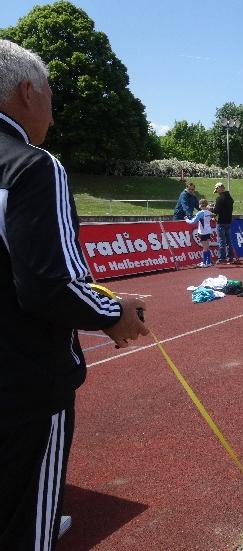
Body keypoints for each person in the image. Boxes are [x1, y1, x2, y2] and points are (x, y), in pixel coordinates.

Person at [0, 39, 149, 550]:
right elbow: (50, 286)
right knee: (26, 528)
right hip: (23, 386)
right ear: (27, 92)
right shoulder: (32, 165)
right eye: (49, 97)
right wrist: (114, 312)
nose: (53, 114)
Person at [211, 182, 235, 264]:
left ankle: (221, 258)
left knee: (221, 240)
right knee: (228, 241)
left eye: (217, 190)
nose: (217, 192)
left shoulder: (220, 198)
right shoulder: (230, 198)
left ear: (220, 188)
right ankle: (230, 257)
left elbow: (216, 211)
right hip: (228, 221)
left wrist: (211, 208)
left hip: (221, 221)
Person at [186, 199, 214, 267]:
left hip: (202, 232)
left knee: (205, 247)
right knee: (207, 246)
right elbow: (213, 218)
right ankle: (208, 262)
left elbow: (193, 221)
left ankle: (204, 263)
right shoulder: (210, 212)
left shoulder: (200, 213)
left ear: (200, 205)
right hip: (208, 231)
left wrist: (186, 219)